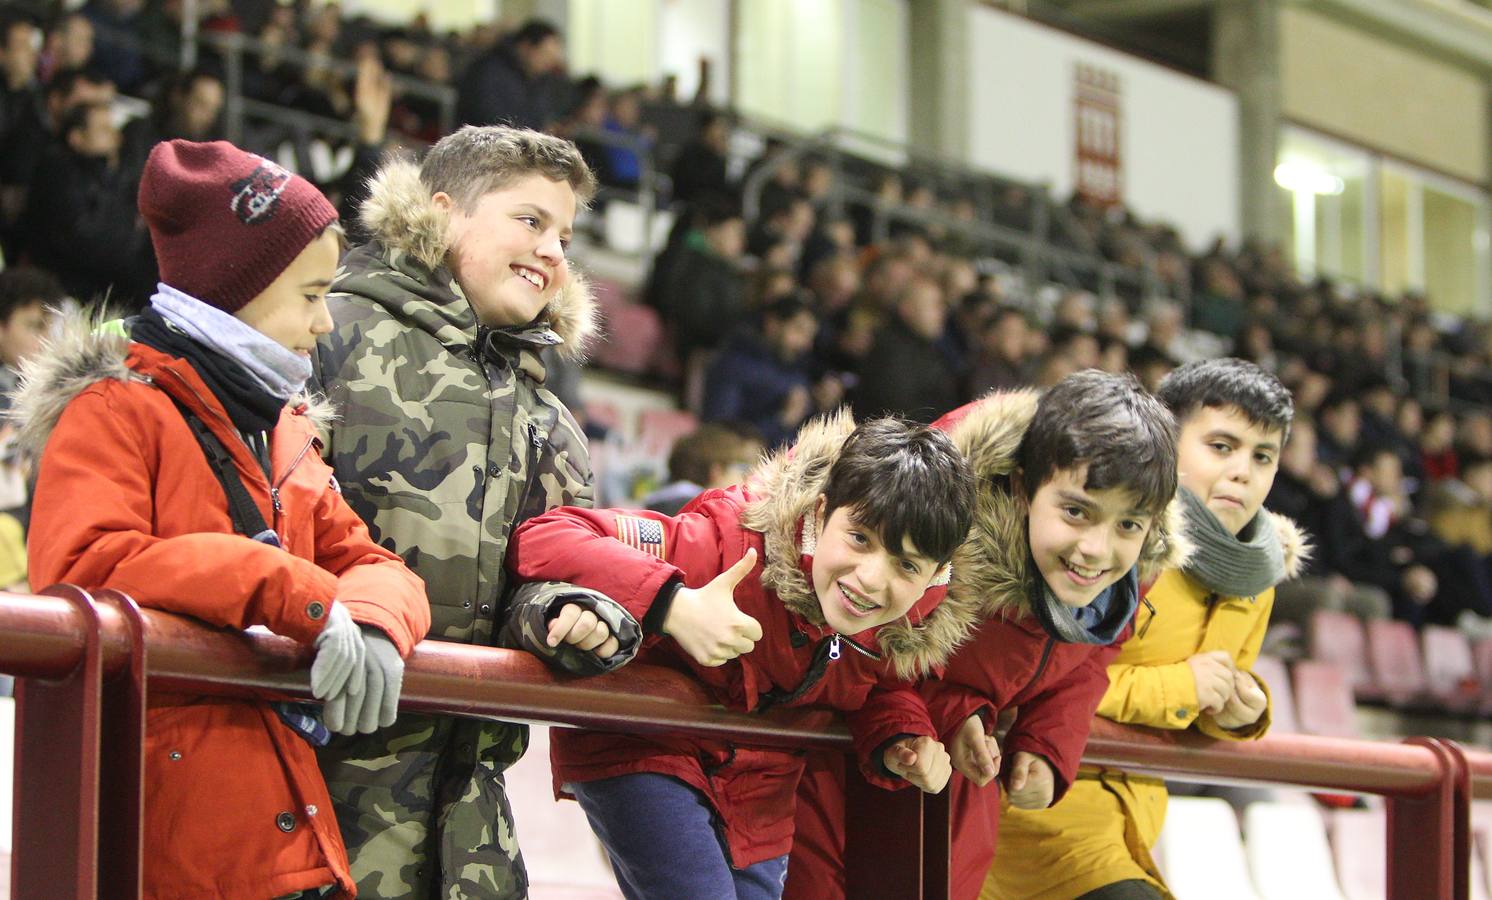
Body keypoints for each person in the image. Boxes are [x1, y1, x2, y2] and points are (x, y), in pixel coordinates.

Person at [16, 139, 429, 898]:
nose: (327, 324)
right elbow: (85, 571)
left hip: (294, 847)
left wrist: (368, 620)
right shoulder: (114, 410)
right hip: (173, 853)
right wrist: (295, 593)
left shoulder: (287, 433)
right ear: (234, 288)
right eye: (310, 296)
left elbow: (378, 566)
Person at [507, 414, 980, 900]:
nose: (871, 579)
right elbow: (544, 537)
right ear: (819, 514)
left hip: (760, 793)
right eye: (860, 539)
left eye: (906, 565)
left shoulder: (908, 624)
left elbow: (878, 682)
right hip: (646, 753)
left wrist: (902, 736)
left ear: (936, 574)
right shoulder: (726, 543)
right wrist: (673, 604)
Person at [311, 124, 607, 898]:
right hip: (307, 797)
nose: (553, 252)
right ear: (442, 213)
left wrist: (566, 615)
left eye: (565, 236)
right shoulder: (327, 333)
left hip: (470, 833)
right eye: (530, 221)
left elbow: (543, 575)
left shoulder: (550, 415)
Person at [785, 371, 1188, 900]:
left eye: (1128, 526)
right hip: (832, 782)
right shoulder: (937, 532)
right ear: (1022, 487)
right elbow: (861, 654)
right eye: (1075, 511)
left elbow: (1090, 659)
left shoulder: (1123, 581)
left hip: (955, 804)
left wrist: (1046, 745)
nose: (1096, 548)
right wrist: (959, 711)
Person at [990, 358, 1306, 899]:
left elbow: (1206, 700)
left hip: (1130, 822)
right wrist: (1184, 688)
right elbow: (1046, 679)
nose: (1242, 473)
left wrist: (1243, 711)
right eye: (1221, 447)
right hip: (1031, 815)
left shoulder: (1259, 579)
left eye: (1263, 456)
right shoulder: (1112, 549)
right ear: (1167, 446)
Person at [456, 18, 567, 131]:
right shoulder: (488, 72)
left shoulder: (541, 80)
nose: (549, 62)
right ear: (526, 47)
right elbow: (490, 119)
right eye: (545, 54)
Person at [641, 423, 762, 516]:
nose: (747, 479)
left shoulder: (662, 502)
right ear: (717, 471)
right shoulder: (703, 512)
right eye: (743, 469)